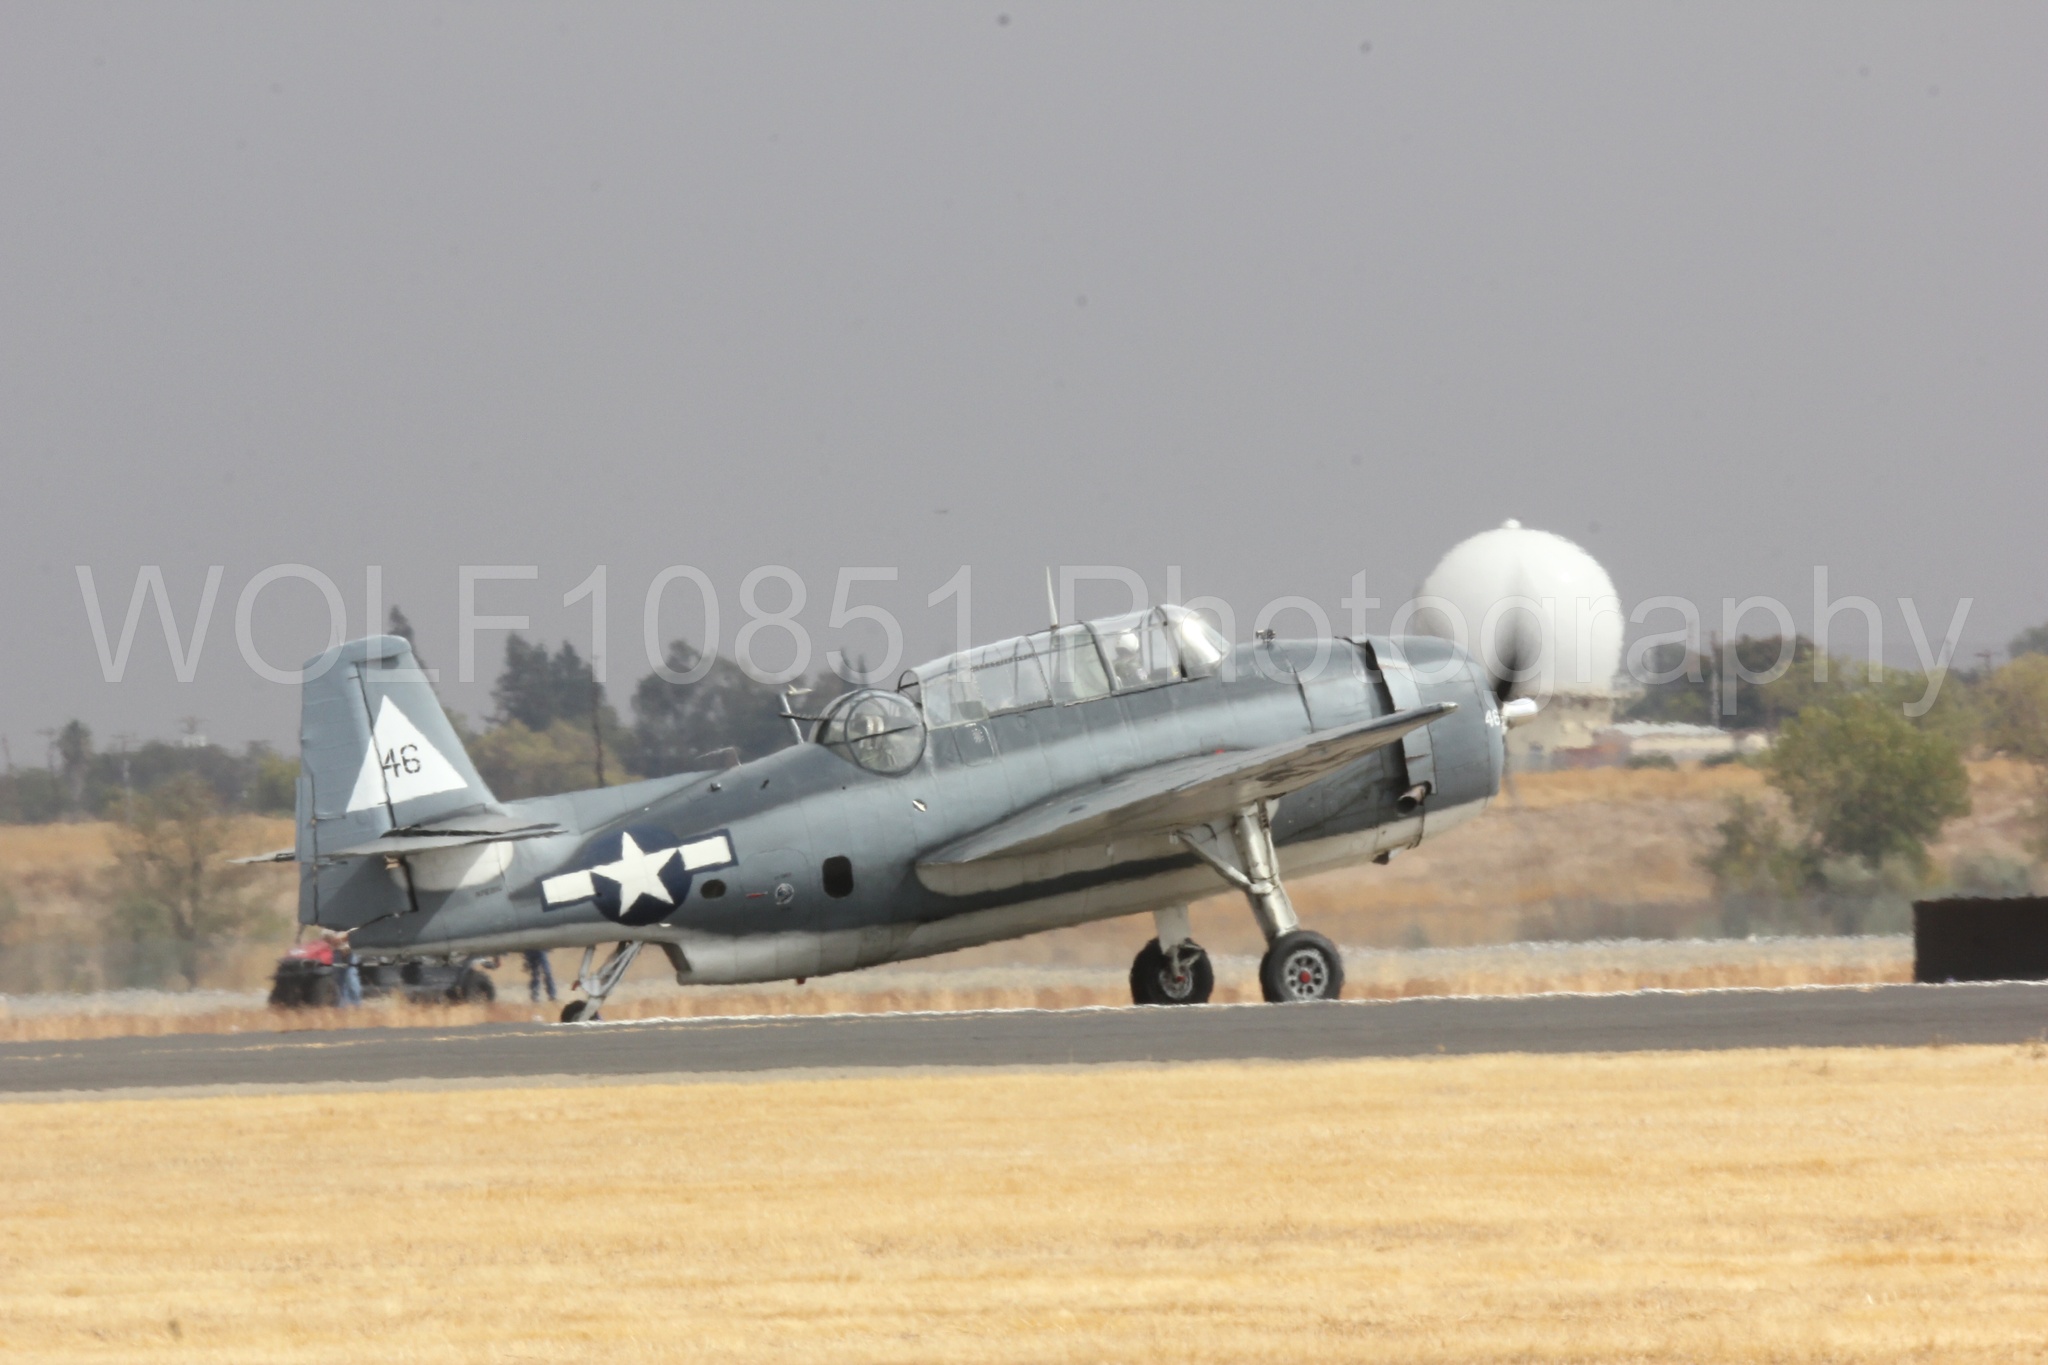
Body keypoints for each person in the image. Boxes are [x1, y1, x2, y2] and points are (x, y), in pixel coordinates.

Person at [321, 928, 362, 1007]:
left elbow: (355, 930)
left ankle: (354, 1006)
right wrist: (332, 938)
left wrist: (341, 937)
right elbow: (325, 933)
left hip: (349, 950)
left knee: (350, 978)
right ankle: (342, 1007)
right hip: (337, 950)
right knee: (339, 980)